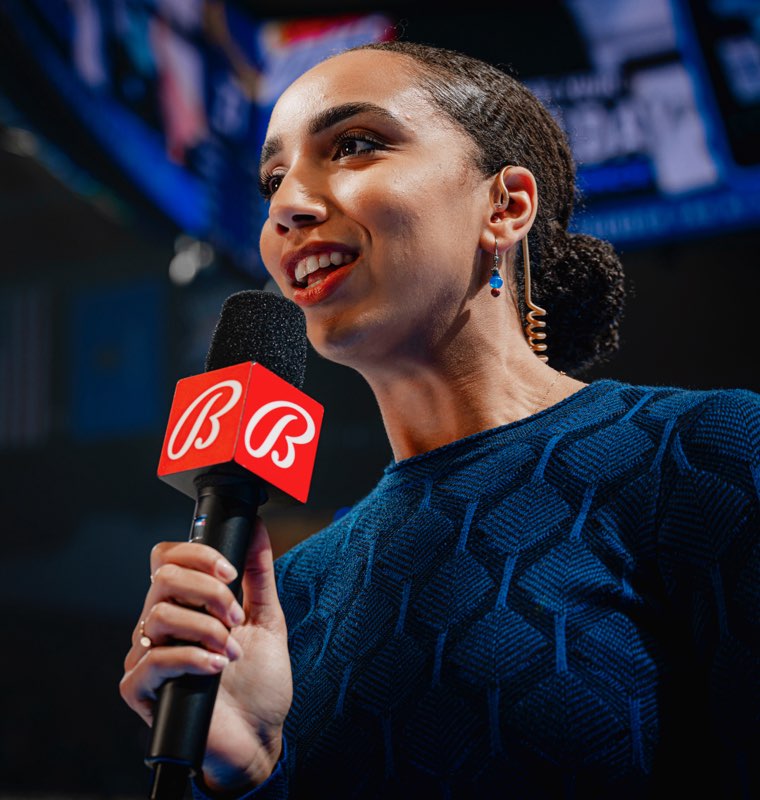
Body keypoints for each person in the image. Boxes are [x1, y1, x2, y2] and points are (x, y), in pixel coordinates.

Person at [120, 41, 759, 799]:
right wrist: (246, 772)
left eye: (354, 145)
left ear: (506, 205)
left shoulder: (704, 454)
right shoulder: (282, 599)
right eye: (273, 179)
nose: (288, 204)